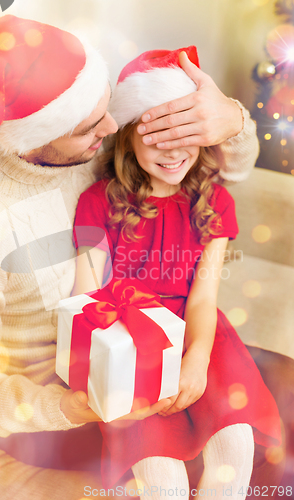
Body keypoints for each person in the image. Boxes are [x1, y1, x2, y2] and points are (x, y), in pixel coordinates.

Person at [0, 14, 261, 498]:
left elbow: (223, 169)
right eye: (92, 126)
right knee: (169, 474)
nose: (112, 128)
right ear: (36, 135)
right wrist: (70, 407)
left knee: (242, 434)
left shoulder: (91, 151)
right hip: (59, 401)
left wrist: (230, 118)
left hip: (142, 344)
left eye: (109, 109)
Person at [72, 47, 281, 499]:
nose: (172, 150)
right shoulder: (97, 201)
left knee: (235, 444)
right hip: (128, 339)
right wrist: (111, 367)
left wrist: (197, 358)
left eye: (183, 132)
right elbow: (85, 298)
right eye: (155, 135)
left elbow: (205, 299)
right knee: (160, 476)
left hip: (202, 333)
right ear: (127, 136)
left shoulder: (215, 202)